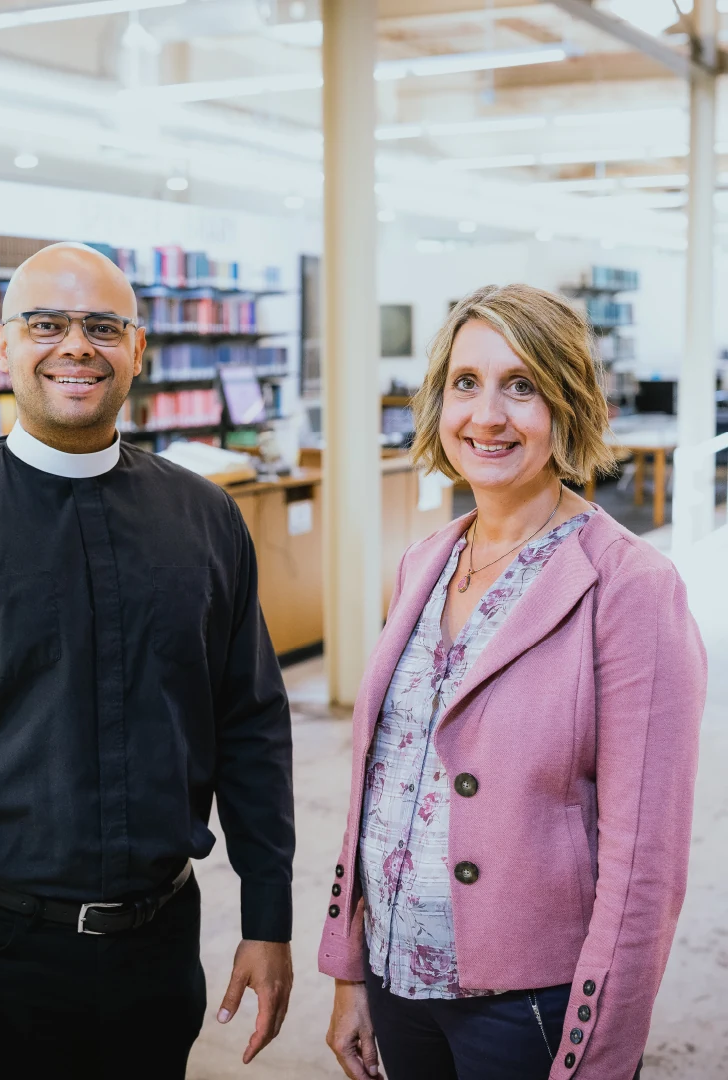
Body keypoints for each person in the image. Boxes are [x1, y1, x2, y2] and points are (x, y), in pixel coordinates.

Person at [0, 243, 294, 1080]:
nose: (76, 346)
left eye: (102, 326)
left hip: (157, 956)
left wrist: (269, 915)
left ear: (138, 349)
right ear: (2, 347)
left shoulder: (206, 520)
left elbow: (251, 725)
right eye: (46, 324)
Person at [321, 284, 707, 1080]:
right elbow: (383, 781)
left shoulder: (630, 587)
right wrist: (349, 966)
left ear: (568, 406)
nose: (487, 415)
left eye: (521, 385)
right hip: (400, 980)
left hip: (529, 1002)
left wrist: (597, 1056)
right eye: (466, 383)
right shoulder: (425, 560)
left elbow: (646, 869)